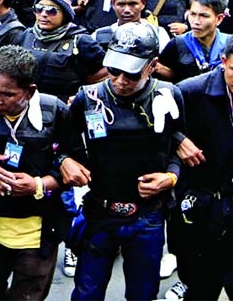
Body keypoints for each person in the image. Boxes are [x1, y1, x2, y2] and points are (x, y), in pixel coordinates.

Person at [58, 22, 184, 301]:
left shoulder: (169, 96)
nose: (120, 80)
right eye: (114, 70)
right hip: (100, 212)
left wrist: (170, 178)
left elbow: (180, 148)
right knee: (87, 293)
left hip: (148, 216)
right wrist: (65, 160)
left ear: (151, 66)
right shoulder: (88, 97)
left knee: (142, 294)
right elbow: (60, 144)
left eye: (130, 73)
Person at [0, 45, 72, 300]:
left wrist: (38, 185)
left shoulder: (55, 112)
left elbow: (74, 165)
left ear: (30, 91)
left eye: (7, 94)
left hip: (39, 233)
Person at [167, 32, 233, 300]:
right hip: (199, 196)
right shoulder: (190, 90)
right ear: (223, 60)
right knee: (200, 284)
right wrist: (178, 139)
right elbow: (157, 126)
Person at [17, 0, 106, 103]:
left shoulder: (81, 41)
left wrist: (83, 95)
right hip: (28, 105)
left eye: (51, 11)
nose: (43, 14)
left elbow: (106, 72)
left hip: (64, 109)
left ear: (65, 14)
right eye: (39, 8)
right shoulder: (27, 35)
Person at [156, 0, 229, 83]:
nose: (196, 21)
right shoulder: (177, 44)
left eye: (204, 16)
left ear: (219, 19)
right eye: (193, 14)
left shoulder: (230, 45)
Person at [91, 0, 170, 53]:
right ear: (113, 4)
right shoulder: (99, 36)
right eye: (121, 4)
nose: (127, 10)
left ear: (143, 3)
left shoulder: (158, 34)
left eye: (132, 4)